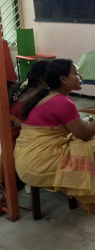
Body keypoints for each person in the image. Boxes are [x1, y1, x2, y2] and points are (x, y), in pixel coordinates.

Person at [14, 59, 95, 214]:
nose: (80, 76)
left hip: (30, 158)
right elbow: (85, 134)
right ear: (63, 79)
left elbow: (78, 129)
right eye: (75, 73)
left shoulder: (50, 95)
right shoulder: (62, 102)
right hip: (38, 162)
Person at [0, 60, 50, 189]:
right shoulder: (42, 96)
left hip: (12, 135)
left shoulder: (21, 89)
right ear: (42, 80)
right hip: (25, 140)